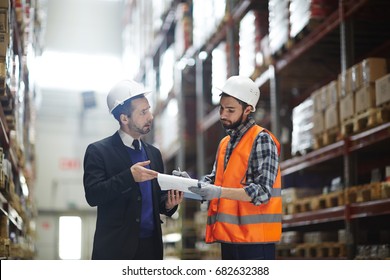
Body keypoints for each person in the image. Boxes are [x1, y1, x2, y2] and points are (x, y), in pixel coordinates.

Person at [179, 75, 282, 260]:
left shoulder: (262, 139)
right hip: (229, 240)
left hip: (256, 244)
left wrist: (218, 192)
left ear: (247, 110)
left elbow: (263, 192)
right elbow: (214, 182)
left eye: (230, 110)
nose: (223, 115)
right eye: (221, 108)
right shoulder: (225, 143)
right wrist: (188, 185)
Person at [83, 79, 183, 260]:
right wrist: (129, 176)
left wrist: (168, 204)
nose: (150, 116)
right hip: (115, 250)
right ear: (124, 118)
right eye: (143, 112)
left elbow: (156, 200)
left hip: (150, 250)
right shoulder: (98, 151)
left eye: (149, 109)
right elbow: (93, 195)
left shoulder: (153, 154)